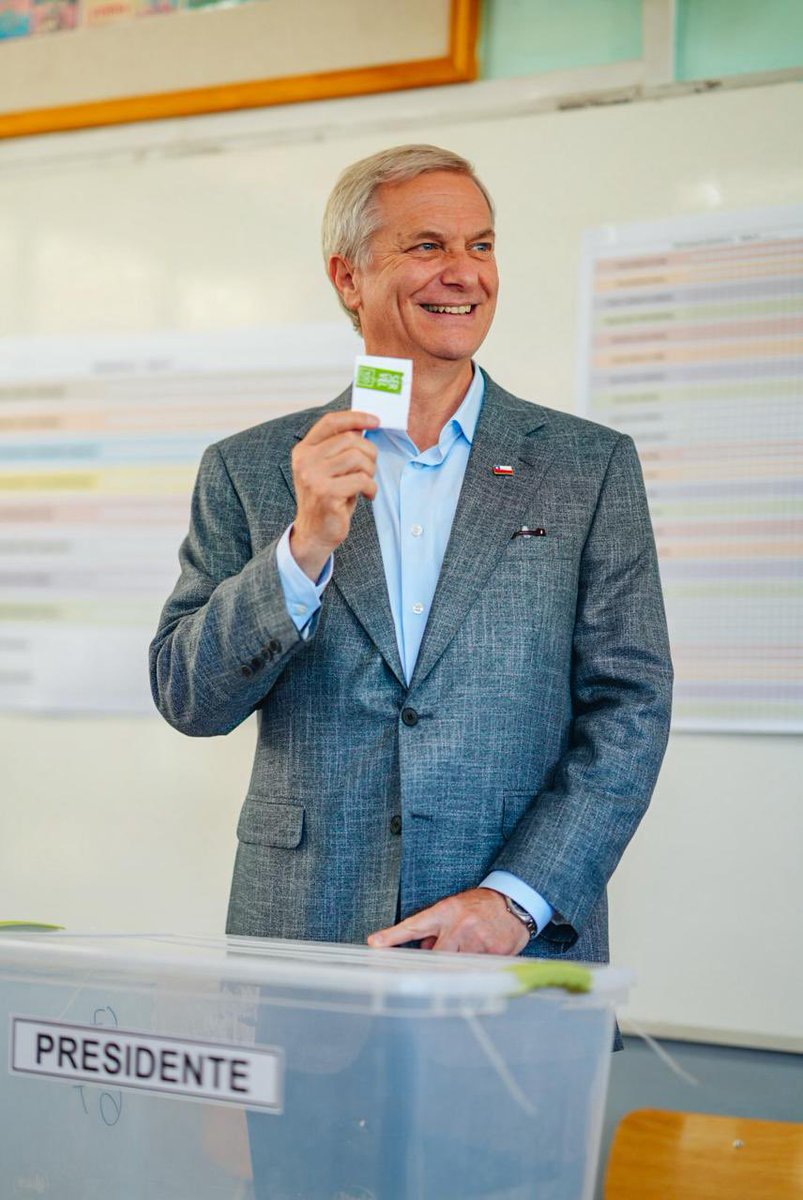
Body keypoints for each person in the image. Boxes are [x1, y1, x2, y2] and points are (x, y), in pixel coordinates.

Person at [150, 144, 672, 967]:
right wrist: (302, 548)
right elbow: (188, 698)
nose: (462, 272)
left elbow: (631, 706)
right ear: (348, 279)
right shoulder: (250, 468)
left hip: (511, 945)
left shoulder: (586, 465)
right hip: (306, 937)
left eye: (481, 245)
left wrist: (513, 901)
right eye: (426, 246)